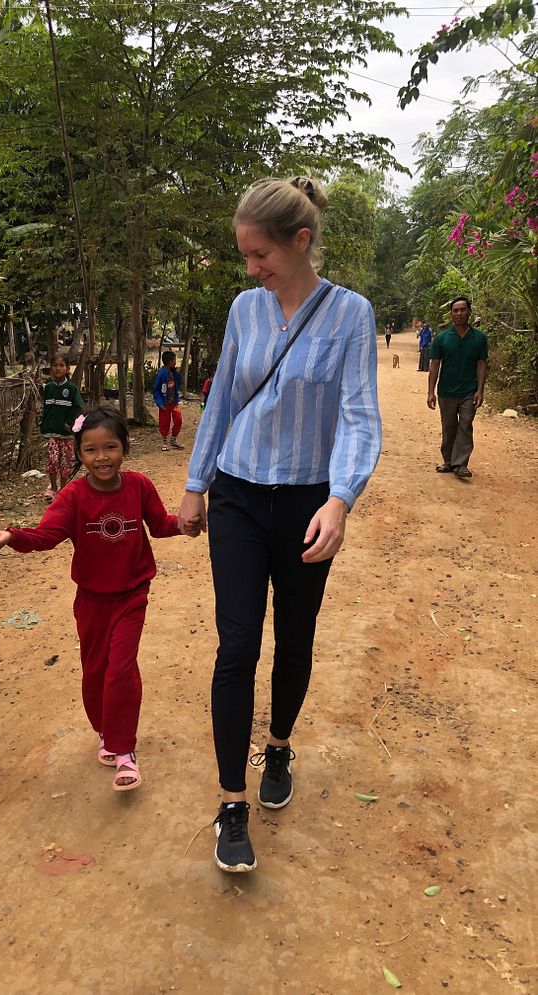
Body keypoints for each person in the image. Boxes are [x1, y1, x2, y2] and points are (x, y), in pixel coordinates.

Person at [177, 176, 382, 873]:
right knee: (237, 645)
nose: (252, 269)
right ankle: (231, 802)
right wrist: (196, 484)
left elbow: (359, 414)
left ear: (300, 241)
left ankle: (282, 743)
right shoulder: (244, 310)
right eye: (245, 256)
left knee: (295, 638)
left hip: (305, 504)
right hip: (237, 493)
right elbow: (222, 399)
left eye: (260, 254)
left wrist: (342, 498)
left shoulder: (352, 314)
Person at [0, 406, 196, 792]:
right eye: (91, 450)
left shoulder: (139, 486)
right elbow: (46, 536)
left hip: (132, 594)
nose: (102, 458)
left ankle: (124, 749)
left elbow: (160, 525)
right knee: (95, 672)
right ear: (79, 454)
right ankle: (106, 732)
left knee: (121, 669)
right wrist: (8, 536)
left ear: (124, 448)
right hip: (92, 600)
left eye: (110, 447)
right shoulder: (73, 495)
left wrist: (185, 524)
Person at [427, 296, 488, 480]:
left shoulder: (479, 338)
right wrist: (431, 391)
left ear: (469, 312)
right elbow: (435, 364)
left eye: (463, 310)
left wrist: (480, 390)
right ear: (451, 314)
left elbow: (481, 364)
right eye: (456, 310)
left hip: (469, 391)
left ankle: (461, 464)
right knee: (449, 427)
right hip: (446, 391)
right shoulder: (442, 338)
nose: (459, 313)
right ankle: (448, 461)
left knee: (466, 425)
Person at [40, 353, 84, 501]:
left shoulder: (71, 389)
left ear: (67, 368)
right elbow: (44, 408)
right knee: (52, 460)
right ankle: (53, 487)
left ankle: (64, 490)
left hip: (66, 435)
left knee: (65, 463)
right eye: (55, 365)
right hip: (52, 433)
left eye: (61, 365)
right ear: (51, 368)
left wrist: (70, 425)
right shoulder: (48, 388)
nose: (58, 369)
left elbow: (78, 408)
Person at [153, 350, 184, 451]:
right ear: (170, 361)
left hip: (174, 402)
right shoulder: (161, 374)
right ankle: (164, 441)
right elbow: (156, 390)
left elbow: (178, 384)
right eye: (175, 360)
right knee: (164, 422)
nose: (176, 362)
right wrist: (159, 403)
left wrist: (178, 374)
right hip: (164, 403)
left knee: (178, 420)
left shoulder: (174, 372)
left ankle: (173, 439)